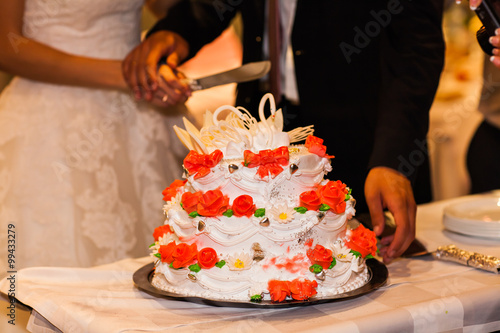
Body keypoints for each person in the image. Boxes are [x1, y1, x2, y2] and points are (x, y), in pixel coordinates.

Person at [123, 0, 445, 264]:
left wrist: (392, 157)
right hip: (264, 130)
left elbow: (416, 50)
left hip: (364, 142)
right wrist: (175, 32)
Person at [0, 0, 188, 270]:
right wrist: (128, 75)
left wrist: (161, 48)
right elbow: (7, 47)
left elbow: (170, 9)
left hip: (138, 119)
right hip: (51, 117)